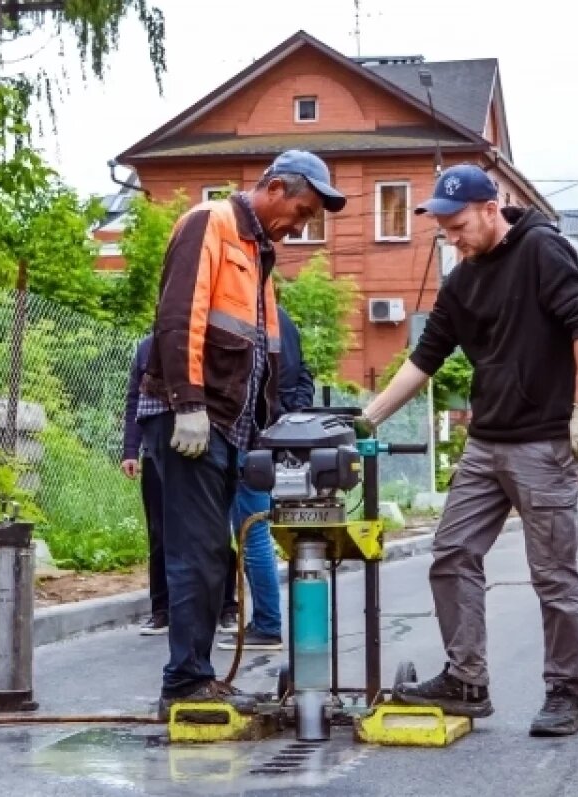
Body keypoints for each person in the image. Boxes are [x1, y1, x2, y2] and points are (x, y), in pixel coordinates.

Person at [361, 164, 578, 738]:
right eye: (443, 228)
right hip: (486, 443)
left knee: (552, 574)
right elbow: (424, 359)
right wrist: (365, 416)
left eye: (458, 224)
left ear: (491, 209)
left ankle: (565, 692)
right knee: (451, 553)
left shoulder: (543, 249)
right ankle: (466, 680)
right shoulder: (462, 282)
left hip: (543, 443)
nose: (452, 237)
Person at [137, 150, 346, 717]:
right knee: (196, 553)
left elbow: (264, 355)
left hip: (228, 424)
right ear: (275, 187)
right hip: (193, 420)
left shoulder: (258, 254)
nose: (301, 225)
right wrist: (187, 403)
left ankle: (196, 675)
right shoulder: (211, 223)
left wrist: (269, 436)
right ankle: (184, 682)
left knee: (213, 554)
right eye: (301, 210)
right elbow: (179, 316)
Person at [218, 304, 315, 652]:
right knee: (260, 527)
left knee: (251, 530)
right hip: (279, 437)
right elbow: (303, 375)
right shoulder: (284, 320)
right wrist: (288, 419)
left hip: (251, 436)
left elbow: (248, 381)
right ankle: (264, 619)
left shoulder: (249, 318)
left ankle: (267, 623)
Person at [121, 334, 168, 635]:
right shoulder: (147, 347)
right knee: (159, 534)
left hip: (198, 454)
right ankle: (161, 609)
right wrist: (130, 451)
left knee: (206, 534)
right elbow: (134, 401)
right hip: (154, 452)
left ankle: (225, 607)